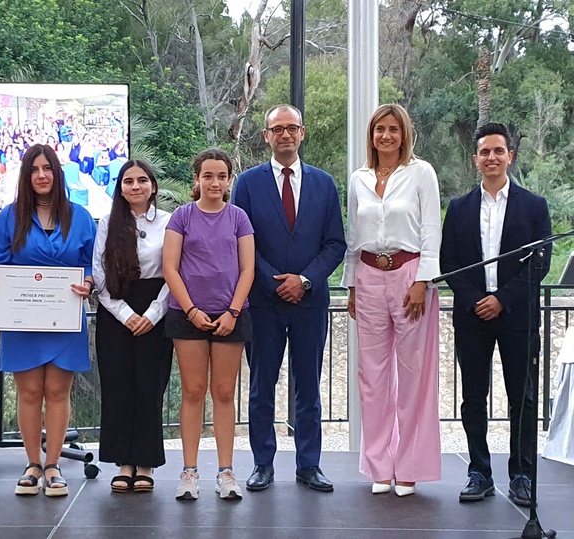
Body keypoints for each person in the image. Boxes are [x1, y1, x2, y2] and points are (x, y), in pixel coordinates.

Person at [231, 104, 346, 493]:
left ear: (302, 133)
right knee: (262, 385)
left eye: (291, 128)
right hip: (264, 302)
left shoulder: (325, 184)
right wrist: (273, 282)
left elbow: (335, 244)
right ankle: (263, 463)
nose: (284, 135)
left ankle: (308, 465)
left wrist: (305, 280)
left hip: (310, 303)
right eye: (277, 129)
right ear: (266, 136)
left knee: (308, 386)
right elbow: (241, 242)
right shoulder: (246, 183)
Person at [441, 123, 551, 506]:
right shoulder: (458, 208)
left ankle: (521, 475)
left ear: (510, 156)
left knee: (522, 399)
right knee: (473, 397)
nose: (491, 157)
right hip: (472, 317)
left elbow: (540, 264)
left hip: (517, 316)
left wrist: (502, 298)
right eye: (484, 152)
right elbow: (449, 262)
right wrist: (476, 300)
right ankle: (479, 472)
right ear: (476, 159)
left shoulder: (534, 207)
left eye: (498, 151)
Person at [341, 104, 442, 497]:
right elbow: (354, 235)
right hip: (368, 277)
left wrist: (422, 280)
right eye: (379, 129)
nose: (385, 136)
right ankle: (380, 467)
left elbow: (432, 229)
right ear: (371, 135)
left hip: (409, 275)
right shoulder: (359, 178)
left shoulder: (421, 173)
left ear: (404, 135)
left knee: (414, 374)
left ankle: (410, 466)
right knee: (372, 375)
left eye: (393, 130)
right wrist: (351, 285)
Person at [0, 144, 95, 497]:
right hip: (22, 318)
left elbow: (92, 264)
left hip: (64, 318)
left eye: (47, 168)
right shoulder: (9, 216)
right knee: (30, 392)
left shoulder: (79, 217)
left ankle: (53, 466)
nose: (41, 175)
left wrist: (89, 282)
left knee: (57, 392)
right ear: (26, 176)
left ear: (57, 173)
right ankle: (32, 464)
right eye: (34, 170)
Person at [163, 149, 255, 501]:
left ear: (229, 180)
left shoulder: (239, 218)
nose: (214, 182)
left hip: (231, 315)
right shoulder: (181, 217)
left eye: (221, 176)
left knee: (224, 392)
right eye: (208, 176)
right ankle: (189, 472)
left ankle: (226, 471)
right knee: (192, 391)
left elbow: (247, 268)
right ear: (196, 179)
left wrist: (232, 312)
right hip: (188, 316)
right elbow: (171, 267)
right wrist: (190, 311)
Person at [92, 160, 173, 493]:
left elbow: (175, 272)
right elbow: (98, 271)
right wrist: (124, 313)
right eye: (128, 181)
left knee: (150, 387)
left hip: (157, 310)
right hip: (116, 313)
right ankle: (123, 461)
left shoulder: (169, 222)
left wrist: (153, 314)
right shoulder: (109, 222)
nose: (135, 186)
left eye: (142, 180)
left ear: (153, 186)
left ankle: (146, 463)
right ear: (120, 187)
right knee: (119, 387)